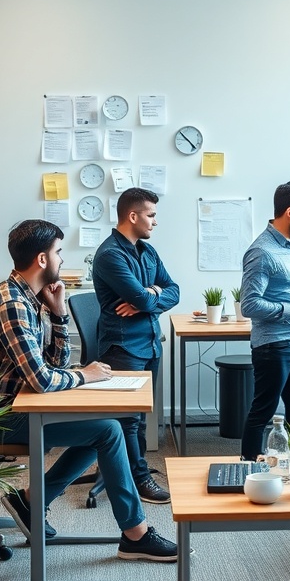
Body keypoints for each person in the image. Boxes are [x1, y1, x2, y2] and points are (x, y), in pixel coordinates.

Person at [0, 219, 177, 562]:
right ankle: (135, 534)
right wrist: (87, 376)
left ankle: (33, 502)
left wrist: (59, 312)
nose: (62, 260)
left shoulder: (29, 298)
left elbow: (56, 364)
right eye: (58, 252)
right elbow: (44, 380)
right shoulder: (13, 306)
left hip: (19, 406)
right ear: (41, 260)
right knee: (108, 431)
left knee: (104, 428)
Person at [92, 187, 179, 504]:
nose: (155, 222)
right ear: (132, 216)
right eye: (151, 215)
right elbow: (141, 297)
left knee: (141, 417)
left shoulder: (147, 251)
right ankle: (139, 479)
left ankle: (133, 471)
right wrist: (149, 296)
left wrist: (151, 293)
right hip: (124, 346)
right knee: (128, 420)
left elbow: (174, 290)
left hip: (150, 344)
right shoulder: (110, 255)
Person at [240, 180, 290, 461]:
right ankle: (247, 468)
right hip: (274, 346)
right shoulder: (261, 251)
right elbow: (249, 304)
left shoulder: (288, 246)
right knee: (263, 411)